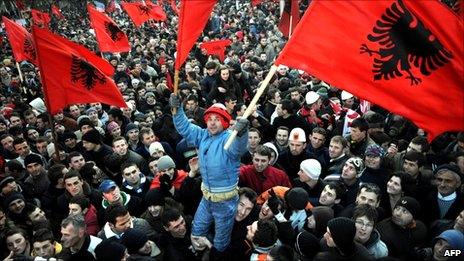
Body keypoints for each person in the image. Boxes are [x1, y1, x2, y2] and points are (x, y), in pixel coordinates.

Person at [170, 94, 249, 257]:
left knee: (221, 241)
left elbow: (239, 148)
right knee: (196, 231)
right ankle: (199, 254)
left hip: (225, 202)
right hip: (206, 198)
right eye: (210, 118)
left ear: (225, 122)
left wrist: (242, 133)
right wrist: (177, 110)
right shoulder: (202, 135)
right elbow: (185, 127)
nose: (212, 122)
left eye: (217, 119)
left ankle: (216, 257)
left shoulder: (229, 139)